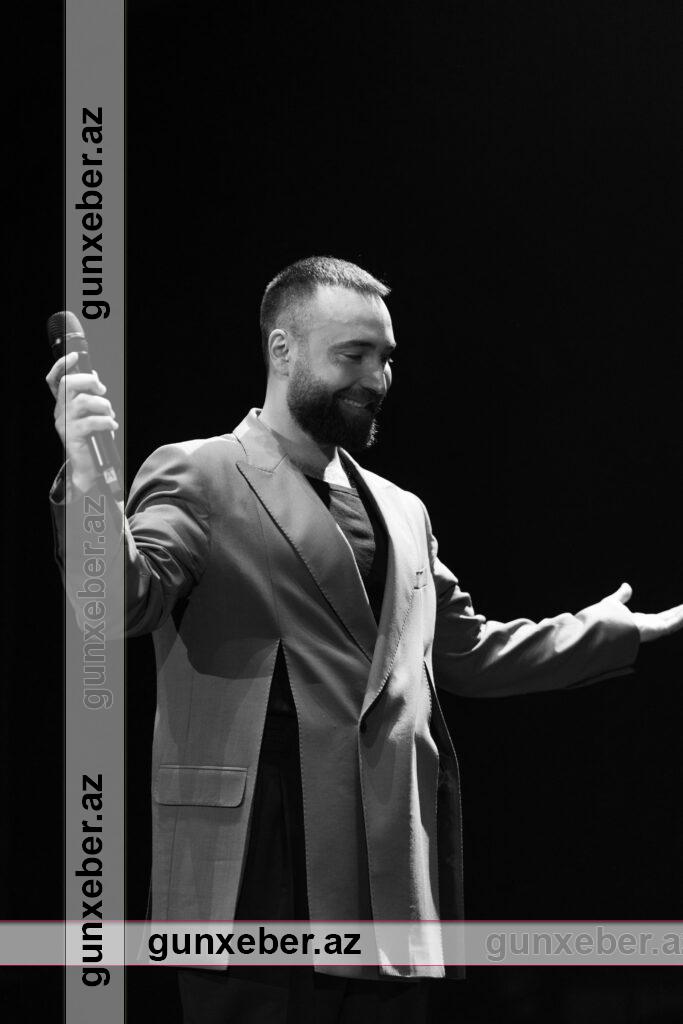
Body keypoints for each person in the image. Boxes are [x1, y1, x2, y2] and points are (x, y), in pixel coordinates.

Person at [47, 256, 683, 1023]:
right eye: (352, 355)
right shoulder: (201, 472)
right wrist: (89, 481)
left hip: (385, 867)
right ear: (282, 350)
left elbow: (466, 652)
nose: (376, 378)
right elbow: (122, 602)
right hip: (256, 865)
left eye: (385, 358)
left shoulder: (402, 510)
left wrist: (611, 633)